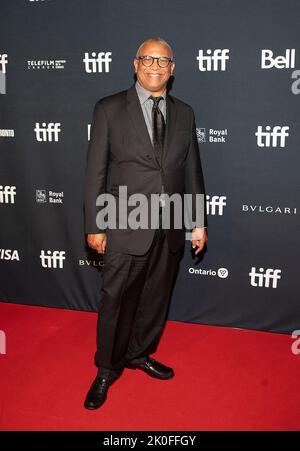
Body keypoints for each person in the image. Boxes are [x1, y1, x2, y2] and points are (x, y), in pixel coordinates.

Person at [83, 37, 208, 410]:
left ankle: (139, 353)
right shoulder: (108, 108)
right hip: (123, 223)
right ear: (135, 64)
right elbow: (95, 173)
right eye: (147, 59)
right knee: (116, 301)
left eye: (163, 60)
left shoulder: (184, 112)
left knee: (155, 299)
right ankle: (106, 369)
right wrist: (95, 224)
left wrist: (197, 223)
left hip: (169, 225)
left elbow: (192, 170)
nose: (155, 66)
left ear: (172, 69)